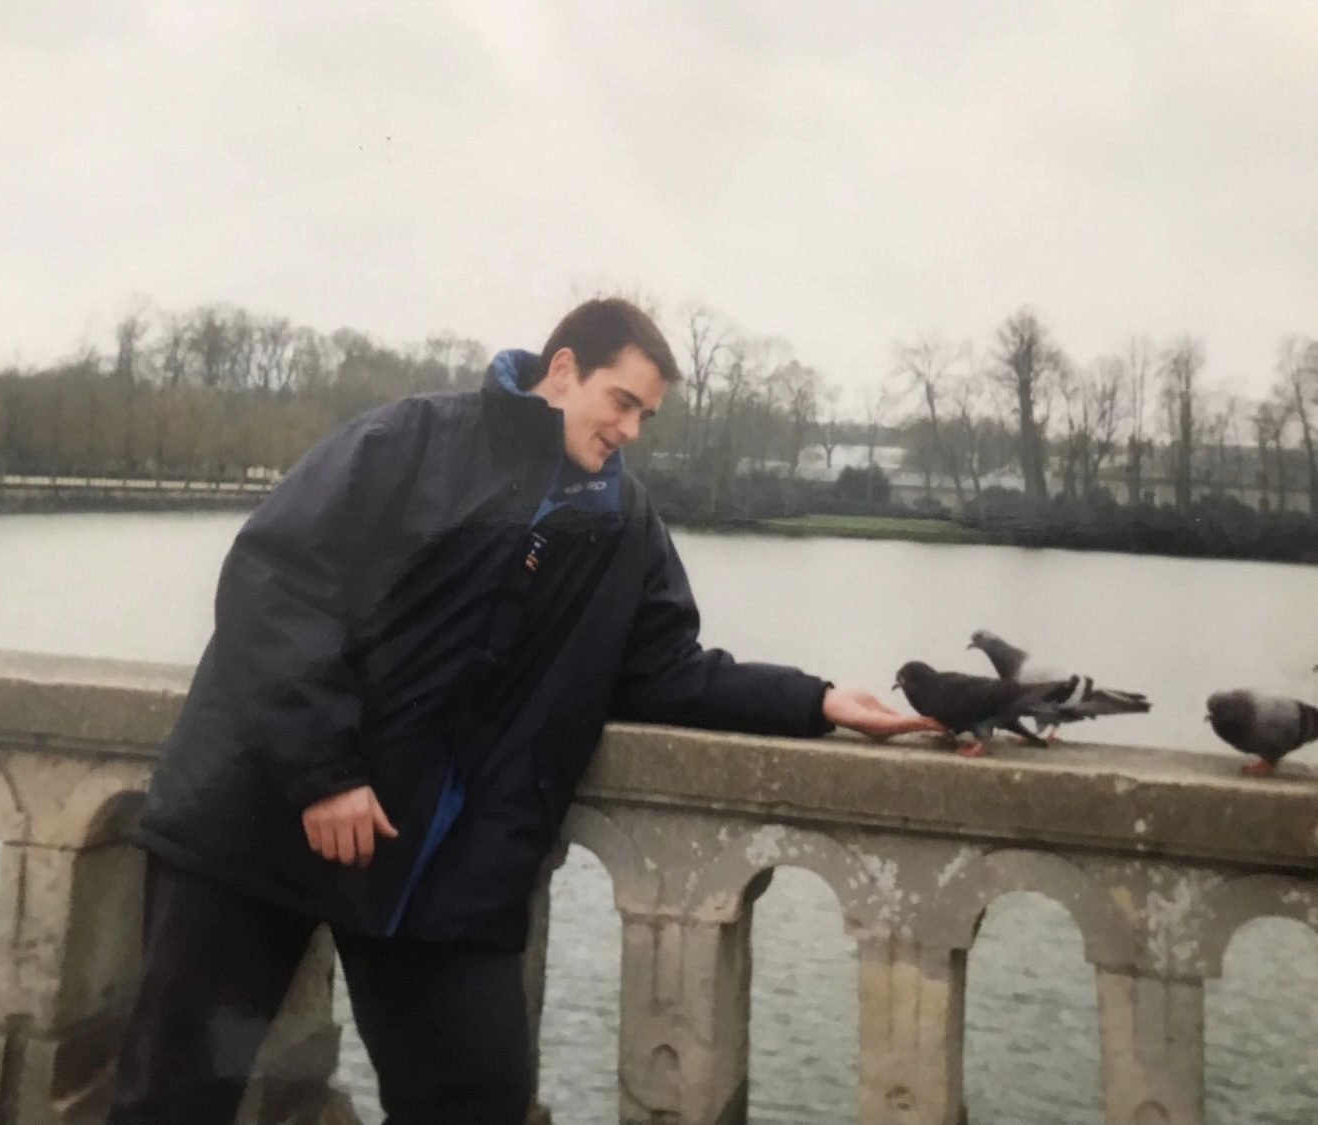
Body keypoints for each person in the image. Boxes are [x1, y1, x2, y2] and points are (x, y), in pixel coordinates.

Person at [106, 298, 941, 1125]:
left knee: (477, 1104)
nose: (631, 431)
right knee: (173, 1099)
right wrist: (324, 772)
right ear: (564, 369)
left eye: (646, 416)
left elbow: (665, 670)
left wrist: (816, 699)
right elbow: (275, 582)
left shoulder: (622, 524)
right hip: (257, 815)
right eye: (622, 402)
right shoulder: (415, 440)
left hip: (430, 871)